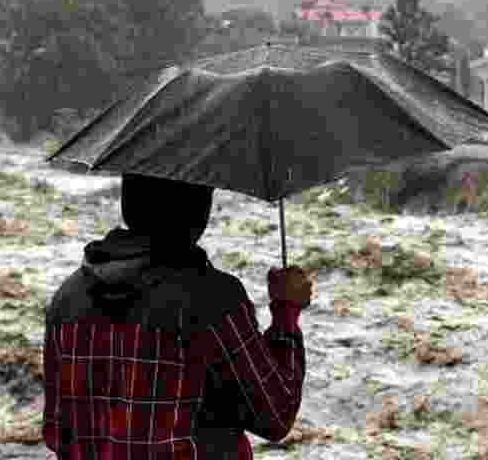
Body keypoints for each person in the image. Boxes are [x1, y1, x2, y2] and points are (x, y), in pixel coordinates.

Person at [43, 173, 312, 459]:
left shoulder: (67, 298)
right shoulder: (213, 300)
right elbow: (275, 415)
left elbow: (57, 431)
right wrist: (286, 313)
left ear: (127, 201)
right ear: (200, 210)